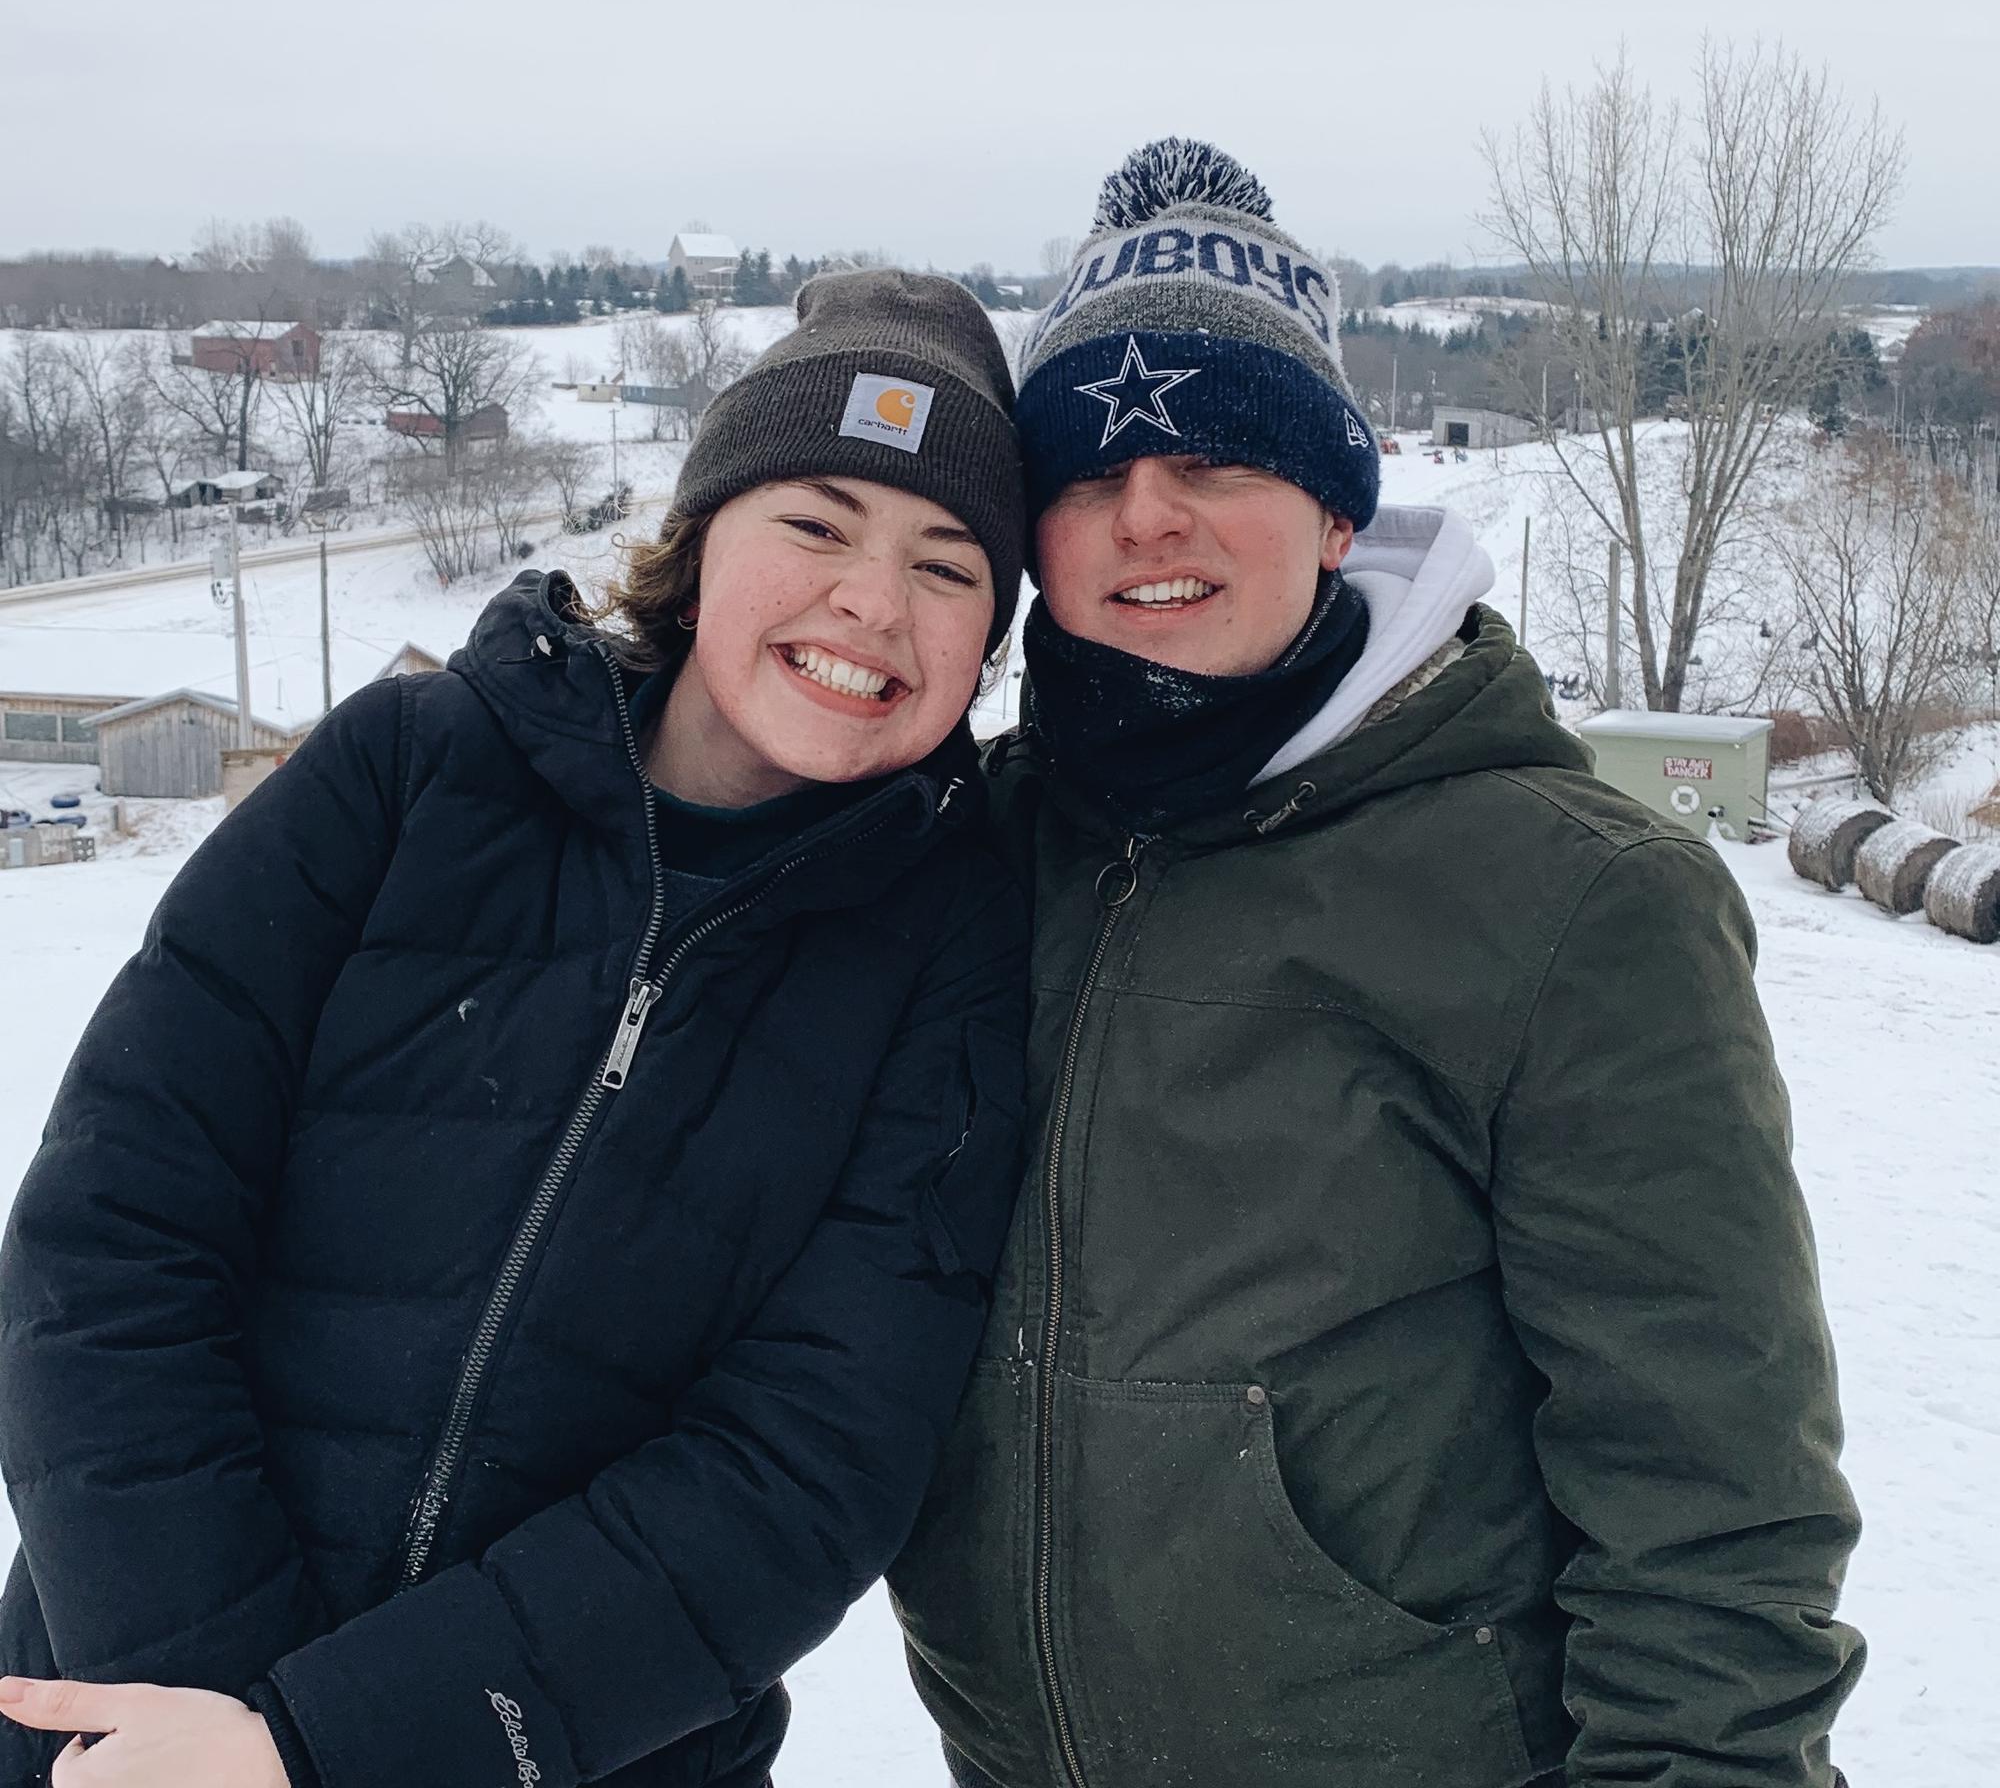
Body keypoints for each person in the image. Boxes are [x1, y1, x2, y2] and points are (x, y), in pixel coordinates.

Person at [890, 143, 1862, 1788]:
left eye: (1222, 457)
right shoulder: (979, 854)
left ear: (1337, 509)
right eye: (1089, 470)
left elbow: (1716, 1512)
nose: (1149, 516)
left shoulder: (1575, 899)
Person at [0, 270, 1032, 1788]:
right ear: (697, 545)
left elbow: (804, 1467)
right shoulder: (409, 776)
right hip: (131, 1723)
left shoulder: (951, 955)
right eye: (815, 523)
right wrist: (211, 1713)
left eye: (948, 567)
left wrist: (335, 1750)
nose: (872, 601)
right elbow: (114, 1235)